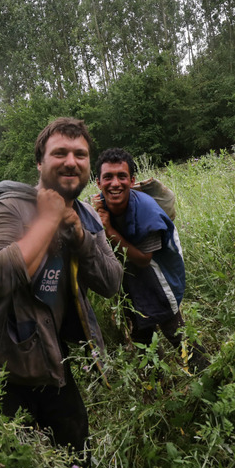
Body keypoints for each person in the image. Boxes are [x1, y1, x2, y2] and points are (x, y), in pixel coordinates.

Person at [0, 117, 122, 453]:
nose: (71, 162)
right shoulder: (9, 207)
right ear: (39, 162)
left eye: (80, 155)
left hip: (51, 357)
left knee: (76, 449)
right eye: (60, 153)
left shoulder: (85, 216)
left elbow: (111, 282)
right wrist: (49, 219)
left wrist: (80, 237)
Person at [91, 148, 208, 372]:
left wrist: (108, 230)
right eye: (108, 177)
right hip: (128, 280)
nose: (115, 183)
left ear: (132, 180)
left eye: (121, 176)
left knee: (173, 327)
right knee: (140, 332)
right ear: (98, 182)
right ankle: (156, 379)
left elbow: (144, 259)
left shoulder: (146, 211)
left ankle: (205, 373)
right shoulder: (98, 207)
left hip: (156, 275)